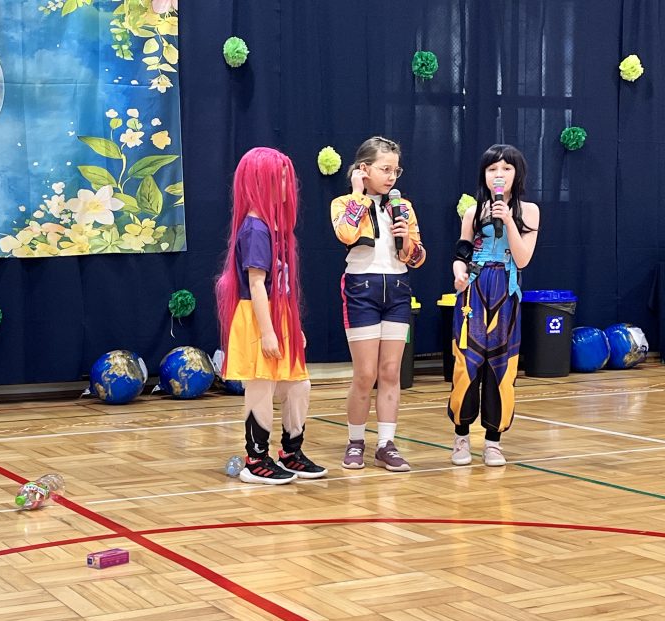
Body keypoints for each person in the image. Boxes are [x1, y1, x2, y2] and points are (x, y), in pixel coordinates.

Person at [216, 147, 326, 484]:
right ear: (259, 182)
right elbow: (256, 283)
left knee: (299, 384)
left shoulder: (274, 227)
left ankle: (291, 452)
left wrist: (291, 325)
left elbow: (282, 287)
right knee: (261, 385)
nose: (288, 185)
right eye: (280, 179)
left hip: (279, 316)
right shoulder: (256, 229)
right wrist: (267, 331)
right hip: (257, 317)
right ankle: (256, 459)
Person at [330, 136, 426, 472]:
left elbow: (418, 257)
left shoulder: (403, 207)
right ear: (364, 169)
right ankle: (355, 441)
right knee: (365, 373)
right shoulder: (344, 203)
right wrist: (359, 196)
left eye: (395, 170)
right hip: (361, 288)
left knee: (390, 371)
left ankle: (386, 444)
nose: (391, 177)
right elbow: (345, 234)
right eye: (385, 169)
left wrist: (407, 240)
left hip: (397, 288)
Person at [449, 144, 540, 467]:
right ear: (484, 175)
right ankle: (461, 437)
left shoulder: (529, 211)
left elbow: (523, 259)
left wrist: (509, 221)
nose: (498, 175)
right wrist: (459, 274)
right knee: (467, 362)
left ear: (517, 174)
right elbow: (461, 253)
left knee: (502, 365)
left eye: (506, 168)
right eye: (492, 169)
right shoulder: (473, 212)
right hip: (474, 291)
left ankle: (493, 442)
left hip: (506, 291)